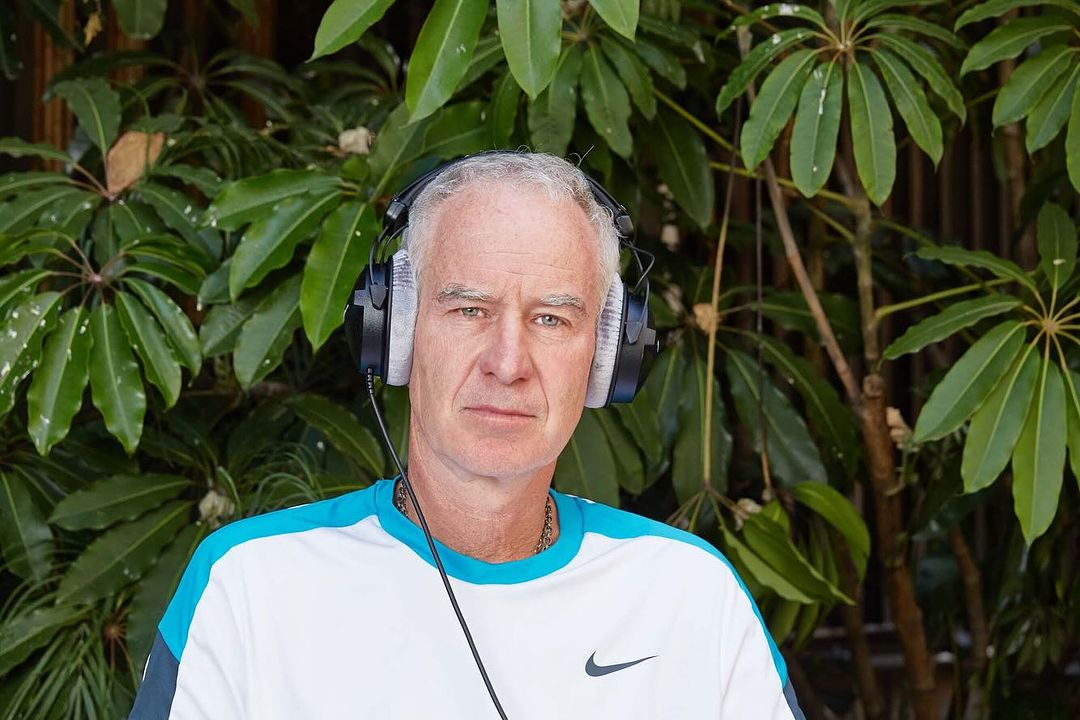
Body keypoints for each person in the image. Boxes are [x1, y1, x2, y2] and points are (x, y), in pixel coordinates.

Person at [129, 152, 805, 719]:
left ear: (606, 358)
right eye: (469, 309)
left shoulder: (693, 596)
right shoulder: (249, 587)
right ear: (397, 332)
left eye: (551, 319)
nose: (507, 363)